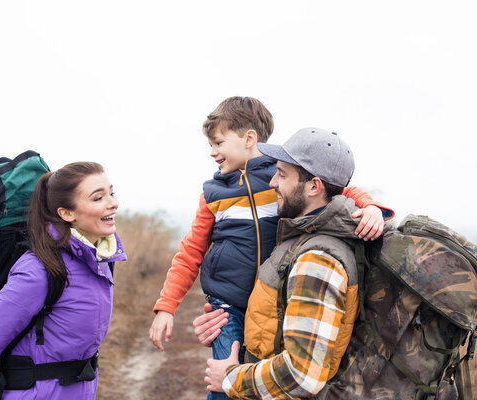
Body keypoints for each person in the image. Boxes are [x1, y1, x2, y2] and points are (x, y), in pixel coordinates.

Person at [149, 96, 393, 400]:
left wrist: (370, 207)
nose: (212, 152)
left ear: (249, 138)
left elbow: (340, 187)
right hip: (228, 304)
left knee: (236, 378)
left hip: (272, 298)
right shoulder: (213, 195)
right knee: (222, 386)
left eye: (219, 143)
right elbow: (190, 251)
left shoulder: (283, 180)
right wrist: (167, 305)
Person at [0, 162, 126, 400]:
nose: (113, 203)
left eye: (111, 193)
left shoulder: (100, 260)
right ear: (66, 213)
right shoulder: (38, 271)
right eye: (98, 198)